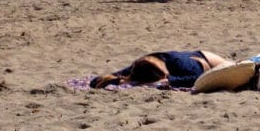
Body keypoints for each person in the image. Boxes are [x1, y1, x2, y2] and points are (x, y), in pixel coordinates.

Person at [90, 49, 233, 89]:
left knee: (236, 66)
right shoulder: (140, 65)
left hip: (206, 60)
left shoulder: (182, 65)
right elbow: (95, 81)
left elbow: (197, 78)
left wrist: (170, 81)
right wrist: (118, 80)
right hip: (182, 58)